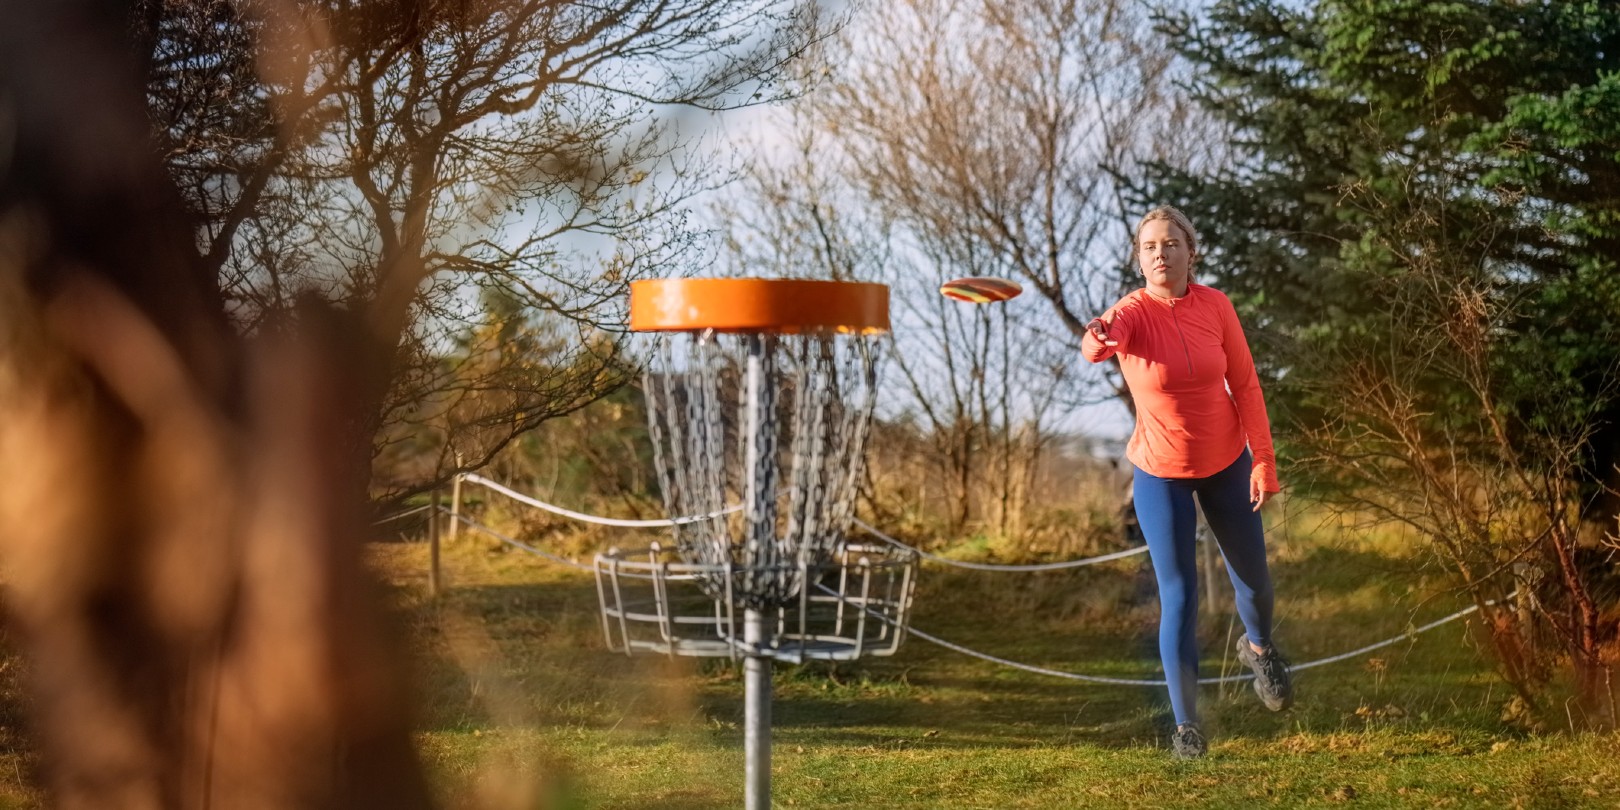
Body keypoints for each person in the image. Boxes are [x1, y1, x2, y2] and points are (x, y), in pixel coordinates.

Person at [1081, 205, 1293, 759]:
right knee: (1179, 596)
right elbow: (1098, 344)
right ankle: (1187, 731)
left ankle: (1260, 648)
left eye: (1171, 243)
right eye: (1149, 245)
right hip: (1160, 472)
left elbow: (1246, 385)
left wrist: (1263, 460)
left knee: (1254, 583)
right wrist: (1098, 338)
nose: (1159, 252)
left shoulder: (1216, 306)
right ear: (1139, 256)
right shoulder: (1129, 312)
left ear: (1190, 252)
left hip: (1227, 462)